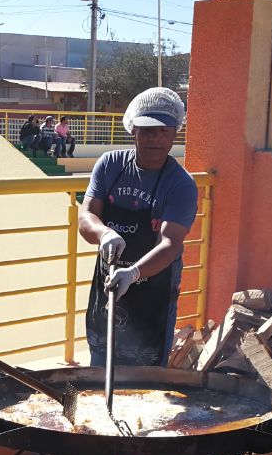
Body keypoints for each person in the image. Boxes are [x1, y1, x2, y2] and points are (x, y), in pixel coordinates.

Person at [77, 87, 198, 367]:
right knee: (100, 366)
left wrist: (133, 273)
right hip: (108, 285)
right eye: (147, 130)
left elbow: (170, 244)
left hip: (153, 290)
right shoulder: (110, 165)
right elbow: (86, 219)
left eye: (163, 131)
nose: (155, 138)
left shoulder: (180, 184)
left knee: (145, 380)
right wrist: (104, 233)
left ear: (175, 133)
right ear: (133, 130)